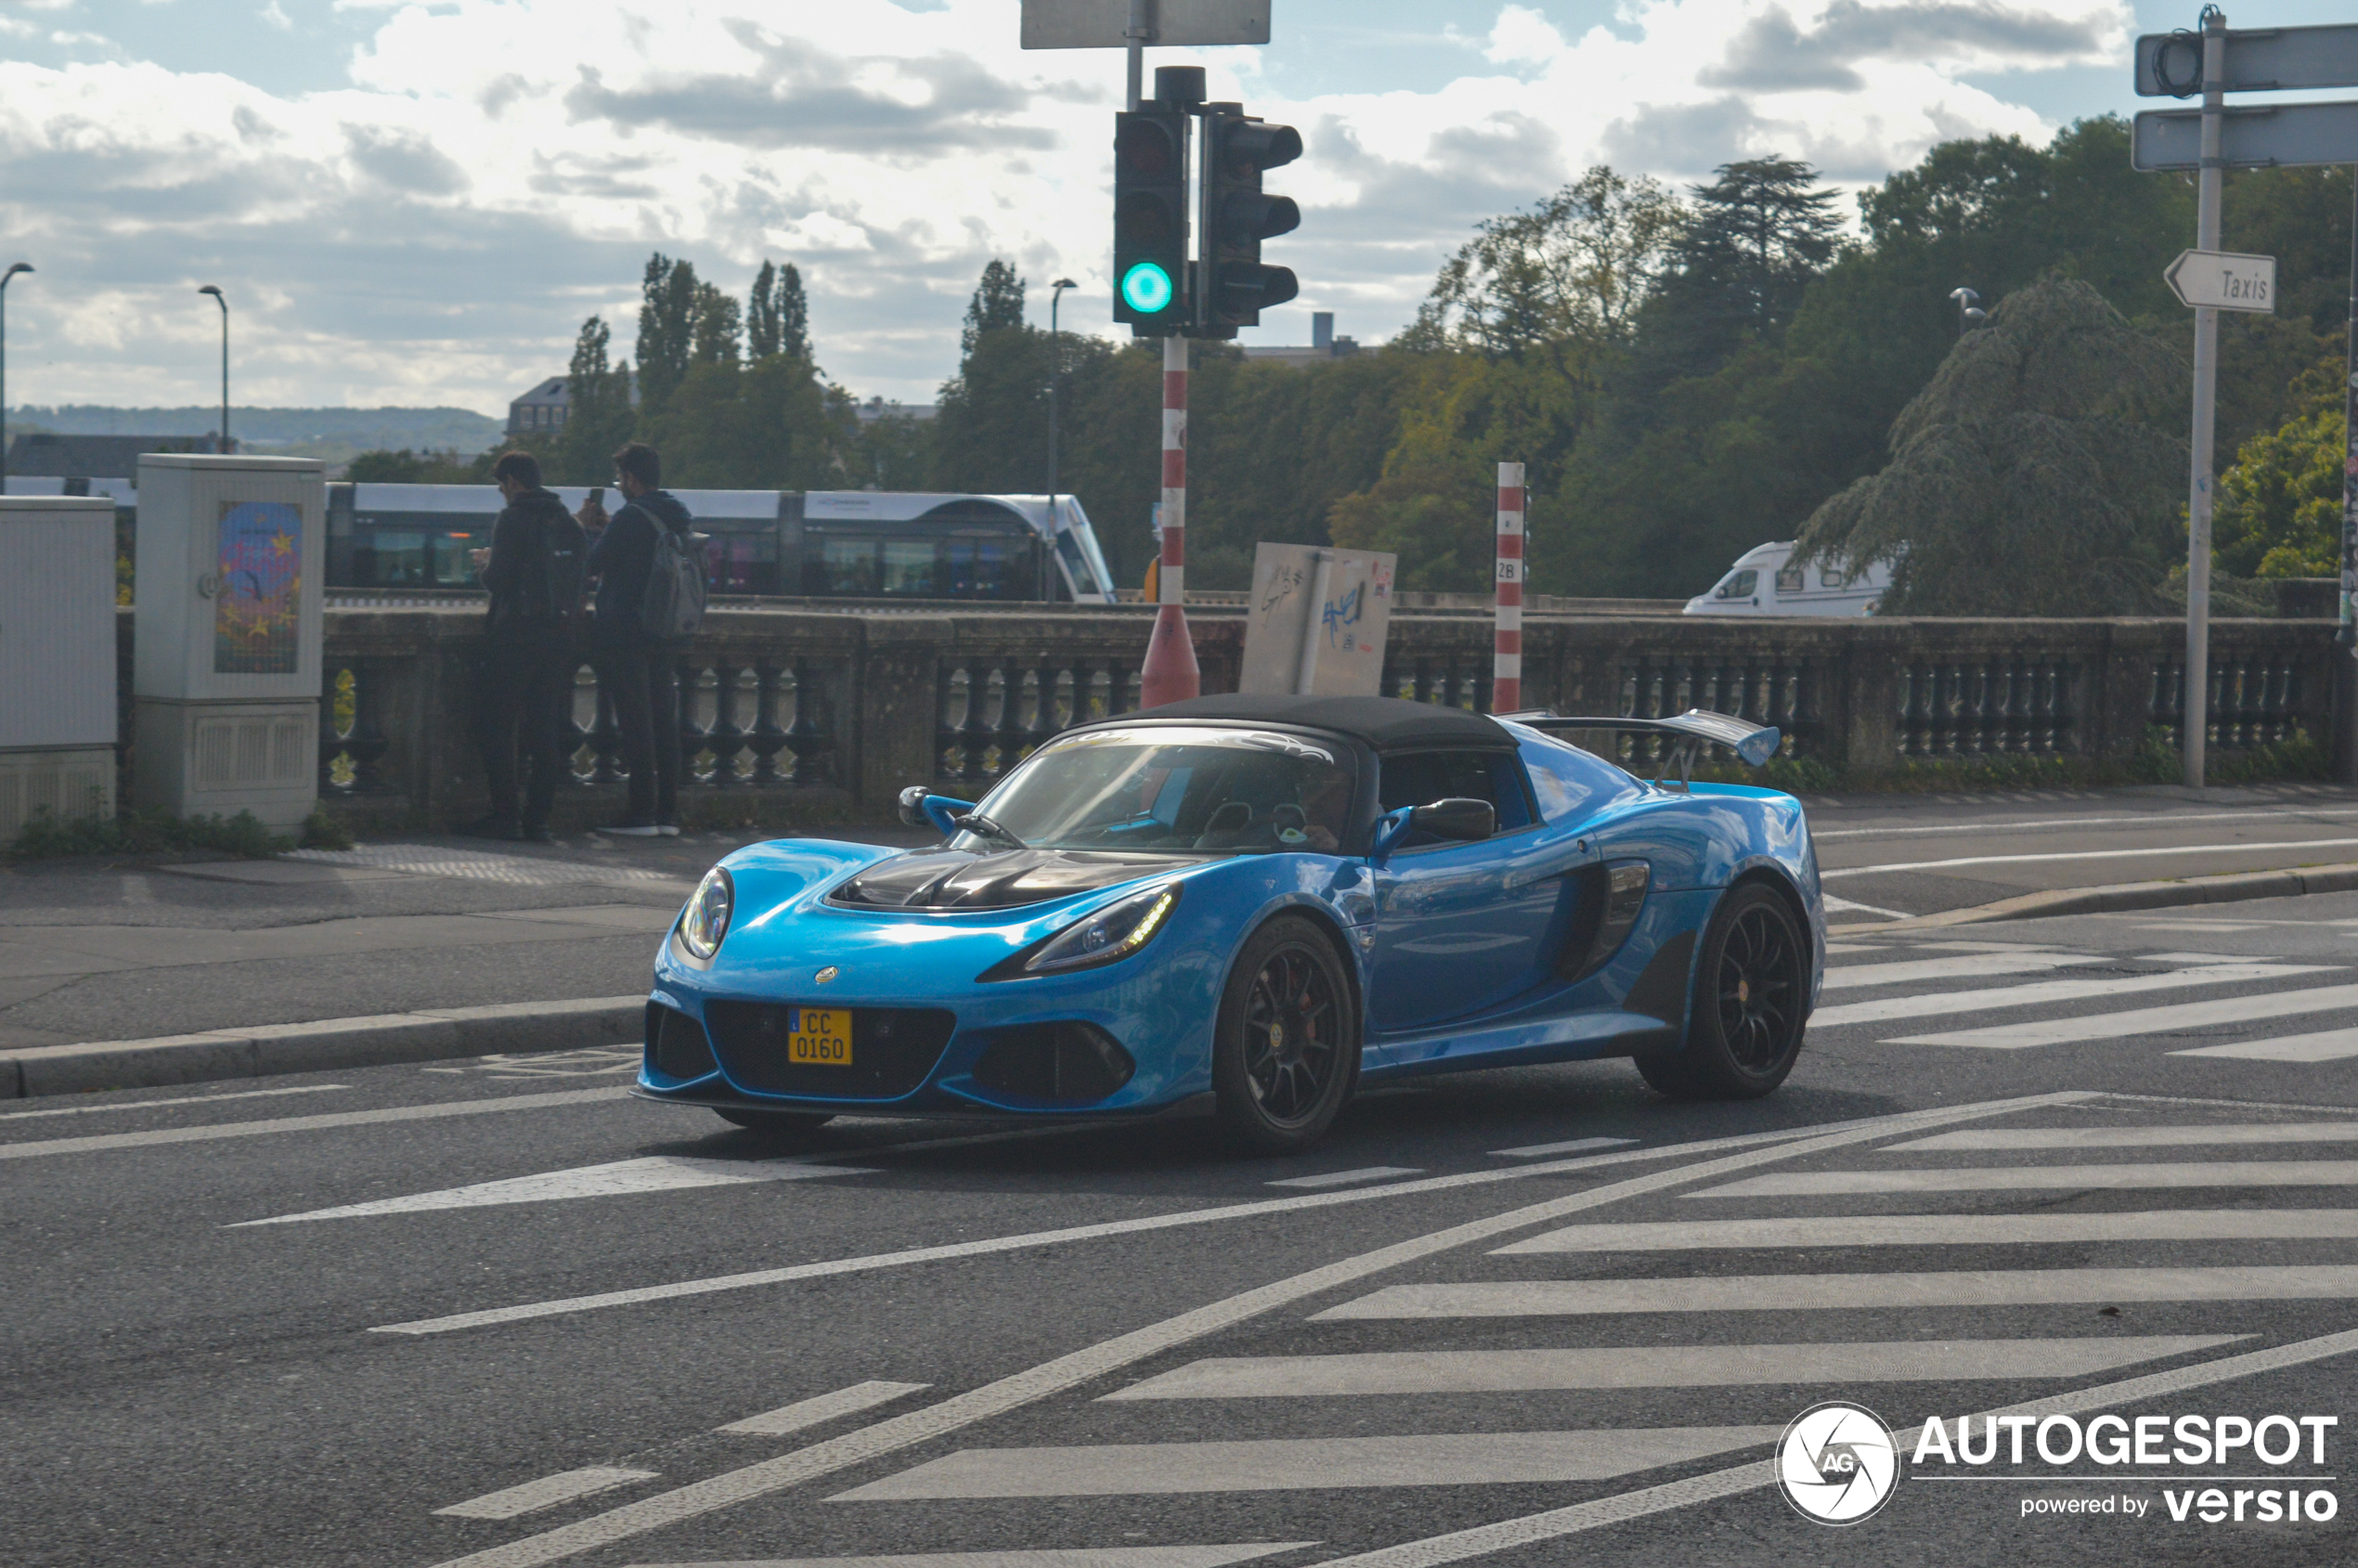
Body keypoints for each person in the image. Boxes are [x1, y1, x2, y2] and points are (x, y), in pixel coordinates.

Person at [460, 450, 583, 842]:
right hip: (558, 638)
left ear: (513, 481)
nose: (502, 493)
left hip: (516, 636)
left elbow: (500, 580)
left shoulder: (513, 518)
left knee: (496, 725)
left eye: (501, 486)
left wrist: (485, 563)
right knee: (545, 729)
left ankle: (505, 815)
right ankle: (539, 820)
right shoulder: (568, 522)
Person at [584, 441, 693, 836]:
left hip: (627, 631)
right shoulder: (675, 515)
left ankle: (641, 813)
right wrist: (606, 529)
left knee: (636, 723)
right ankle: (667, 813)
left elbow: (595, 562)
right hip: (665, 631)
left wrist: (587, 530)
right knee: (664, 721)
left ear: (631, 478)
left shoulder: (631, 517)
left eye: (620, 479)